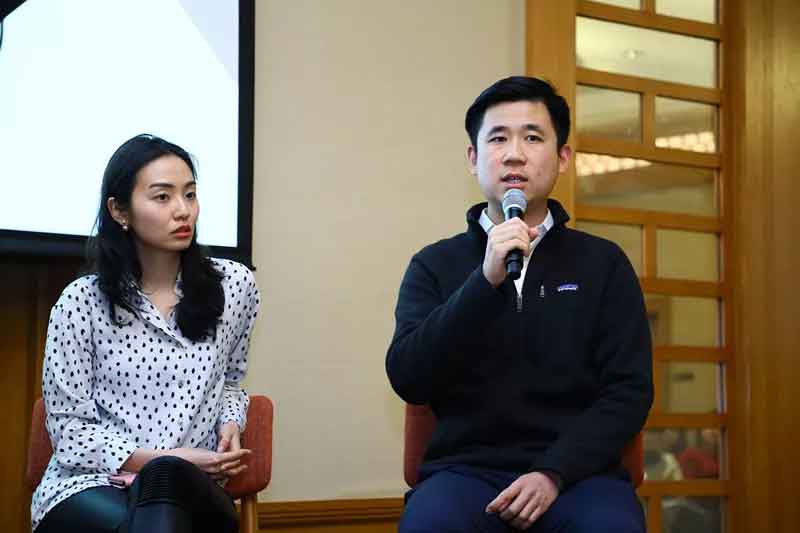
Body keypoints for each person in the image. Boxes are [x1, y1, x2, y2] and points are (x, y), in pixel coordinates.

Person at [386, 77, 653, 532]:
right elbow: (409, 377)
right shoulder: (433, 264)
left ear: (562, 157)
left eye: (532, 137)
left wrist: (553, 472)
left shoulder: (603, 263)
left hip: (580, 475)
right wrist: (484, 280)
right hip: (465, 473)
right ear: (473, 159)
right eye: (497, 139)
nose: (514, 154)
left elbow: (630, 391)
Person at [31, 134, 260, 533]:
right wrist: (162, 459)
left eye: (190, 195)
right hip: (91, 485)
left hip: (192, 487)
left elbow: (230, 384)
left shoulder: (234, 287)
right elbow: (70, 432)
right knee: (160, 488)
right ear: (119, 211)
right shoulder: (80, 302)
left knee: (166, 480)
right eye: (162, 197)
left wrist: (230, 424)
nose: (183, 210)